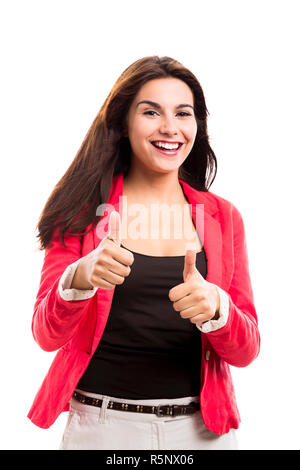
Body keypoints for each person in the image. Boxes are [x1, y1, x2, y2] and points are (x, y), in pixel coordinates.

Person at [28, 55, 260, 450]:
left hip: (202, 433)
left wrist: (217, 309)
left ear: (196, 126)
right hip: (102, 430)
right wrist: (80, 279)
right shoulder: (82, 213)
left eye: (183, 113)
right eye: (151, 112)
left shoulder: (223, 217)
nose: (170, 127)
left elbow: (246, 350)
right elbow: (46, 336)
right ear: (122, 123)